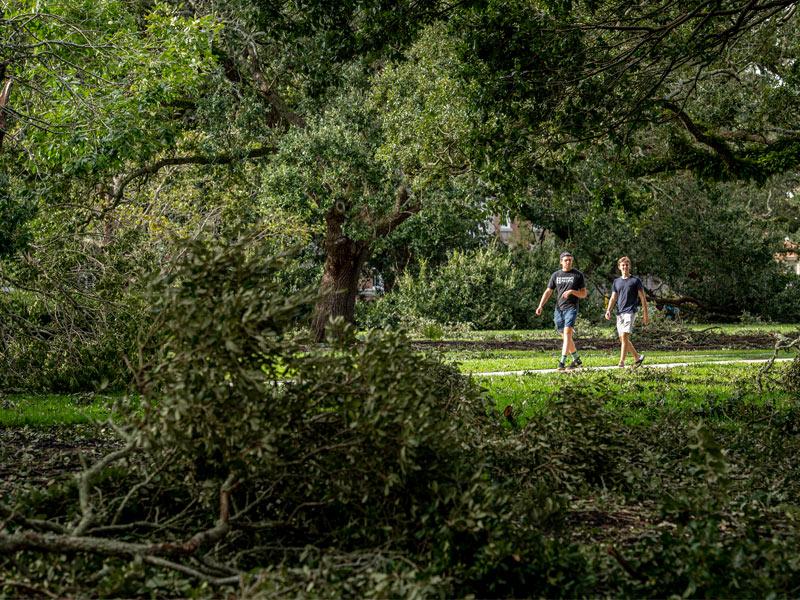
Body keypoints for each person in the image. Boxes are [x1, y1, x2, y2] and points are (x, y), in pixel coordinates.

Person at [536, 251, 588, 371]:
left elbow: (584, 294)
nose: (568, 262)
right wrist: (540, 305)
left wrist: (572, 292)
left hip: (572, 307)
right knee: (565, 337)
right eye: (566, 260)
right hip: (559, 309)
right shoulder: (556, 275)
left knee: (567, 334)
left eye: (570, 260)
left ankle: (562, 362)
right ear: (561, 262)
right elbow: (548, 291)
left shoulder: (578, 275)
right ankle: (577, 359)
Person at [604, 256, 649, 368]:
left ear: (630, 266)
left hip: (630, 311)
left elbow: (643, 298)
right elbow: (613, 297)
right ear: (619, 267)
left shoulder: (635, 281)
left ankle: (621, 362)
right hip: (620, 313)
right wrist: (608, 310)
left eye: (627, 265)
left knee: (624, 336)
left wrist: (645, 314)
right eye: (623, 265)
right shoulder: (616, 281)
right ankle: (637, 357)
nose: (625, 267)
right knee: (623, 339)